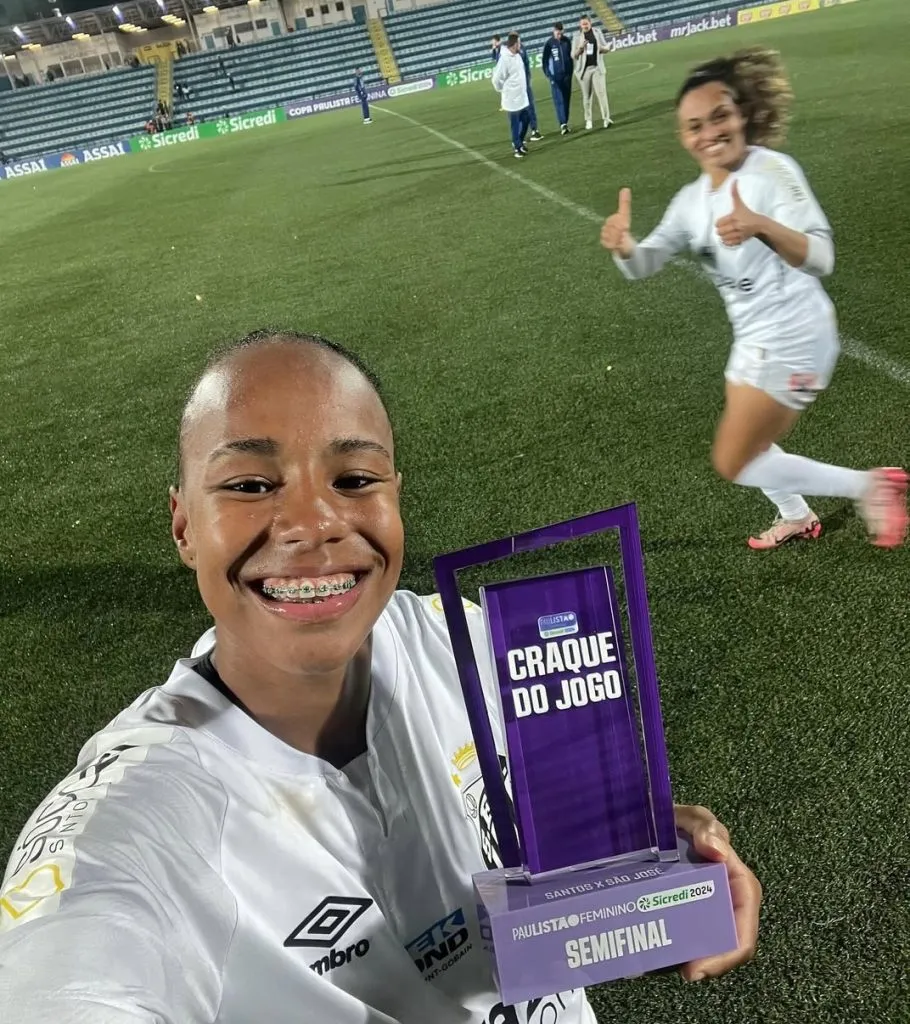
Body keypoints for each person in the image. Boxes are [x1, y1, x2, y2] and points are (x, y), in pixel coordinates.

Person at [0, 331, 761, 1022]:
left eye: (355, 476)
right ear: (183, 526)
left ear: (396, 494)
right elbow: (72, 962)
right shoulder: (139, 815)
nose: (314, 522)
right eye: (250, 485)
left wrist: (644, 855)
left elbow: (547, 840)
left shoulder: (461, 640)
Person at [600, 48, 908, 549]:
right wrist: (624, 247)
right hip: (752, 339)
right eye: (695, 125)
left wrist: (762, 225)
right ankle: (795, 513)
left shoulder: (772, 172)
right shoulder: (690, 201)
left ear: (741, 114)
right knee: (752, 444)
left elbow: (823, 257)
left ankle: (869, 486)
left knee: (734, 459)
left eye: (720, 115)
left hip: (795, 338)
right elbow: (645, 264)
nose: (710, 133)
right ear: (684, 137)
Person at [492, 34, 532, 159]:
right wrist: (501, 90)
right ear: (515, 44)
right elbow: (496, 79)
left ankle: (519, 141)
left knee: (526, 119)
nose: (520, 45)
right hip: (511, 99)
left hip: (521, 97)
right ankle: (517, 147)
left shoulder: (518, 56)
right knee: (515, 124)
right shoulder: (504, 59)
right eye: (519, 43)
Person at [572, 15, 612, 131]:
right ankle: (588, 120)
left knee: (602, 94)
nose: (584, 26)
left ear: (590, 23)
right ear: (580, 25)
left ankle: (606, 118)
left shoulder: (597, 32)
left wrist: (605, 48)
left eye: (586, 23)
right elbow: (573, 55)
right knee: (587, 97)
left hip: (597, 68)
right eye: (582, 24)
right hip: (584, 71)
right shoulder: (576, 37)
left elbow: (605, 47)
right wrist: (580, 48)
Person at [542, 21, 573, 134]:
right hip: (555, 78)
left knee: (566, 100)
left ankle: (565, 122)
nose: (558, 34)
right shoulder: (549, 44)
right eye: (557, 32)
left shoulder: (567, 41)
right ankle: (563, 124)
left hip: (567, 77)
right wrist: (549, 76)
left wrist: (570, 73)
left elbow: (571, 58)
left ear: (563, 31)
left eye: (560, 32)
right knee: (558, 100)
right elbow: (544, 61)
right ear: (554, 31)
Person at [514, 30, 543, 141]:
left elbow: (526, 65)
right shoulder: (510, 52)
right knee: (520, 111)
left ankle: (534, 130)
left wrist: (528, 78)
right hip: (517, 87)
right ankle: (520, 136)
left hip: (526, 84)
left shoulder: (523, 49)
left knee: (530, 107)